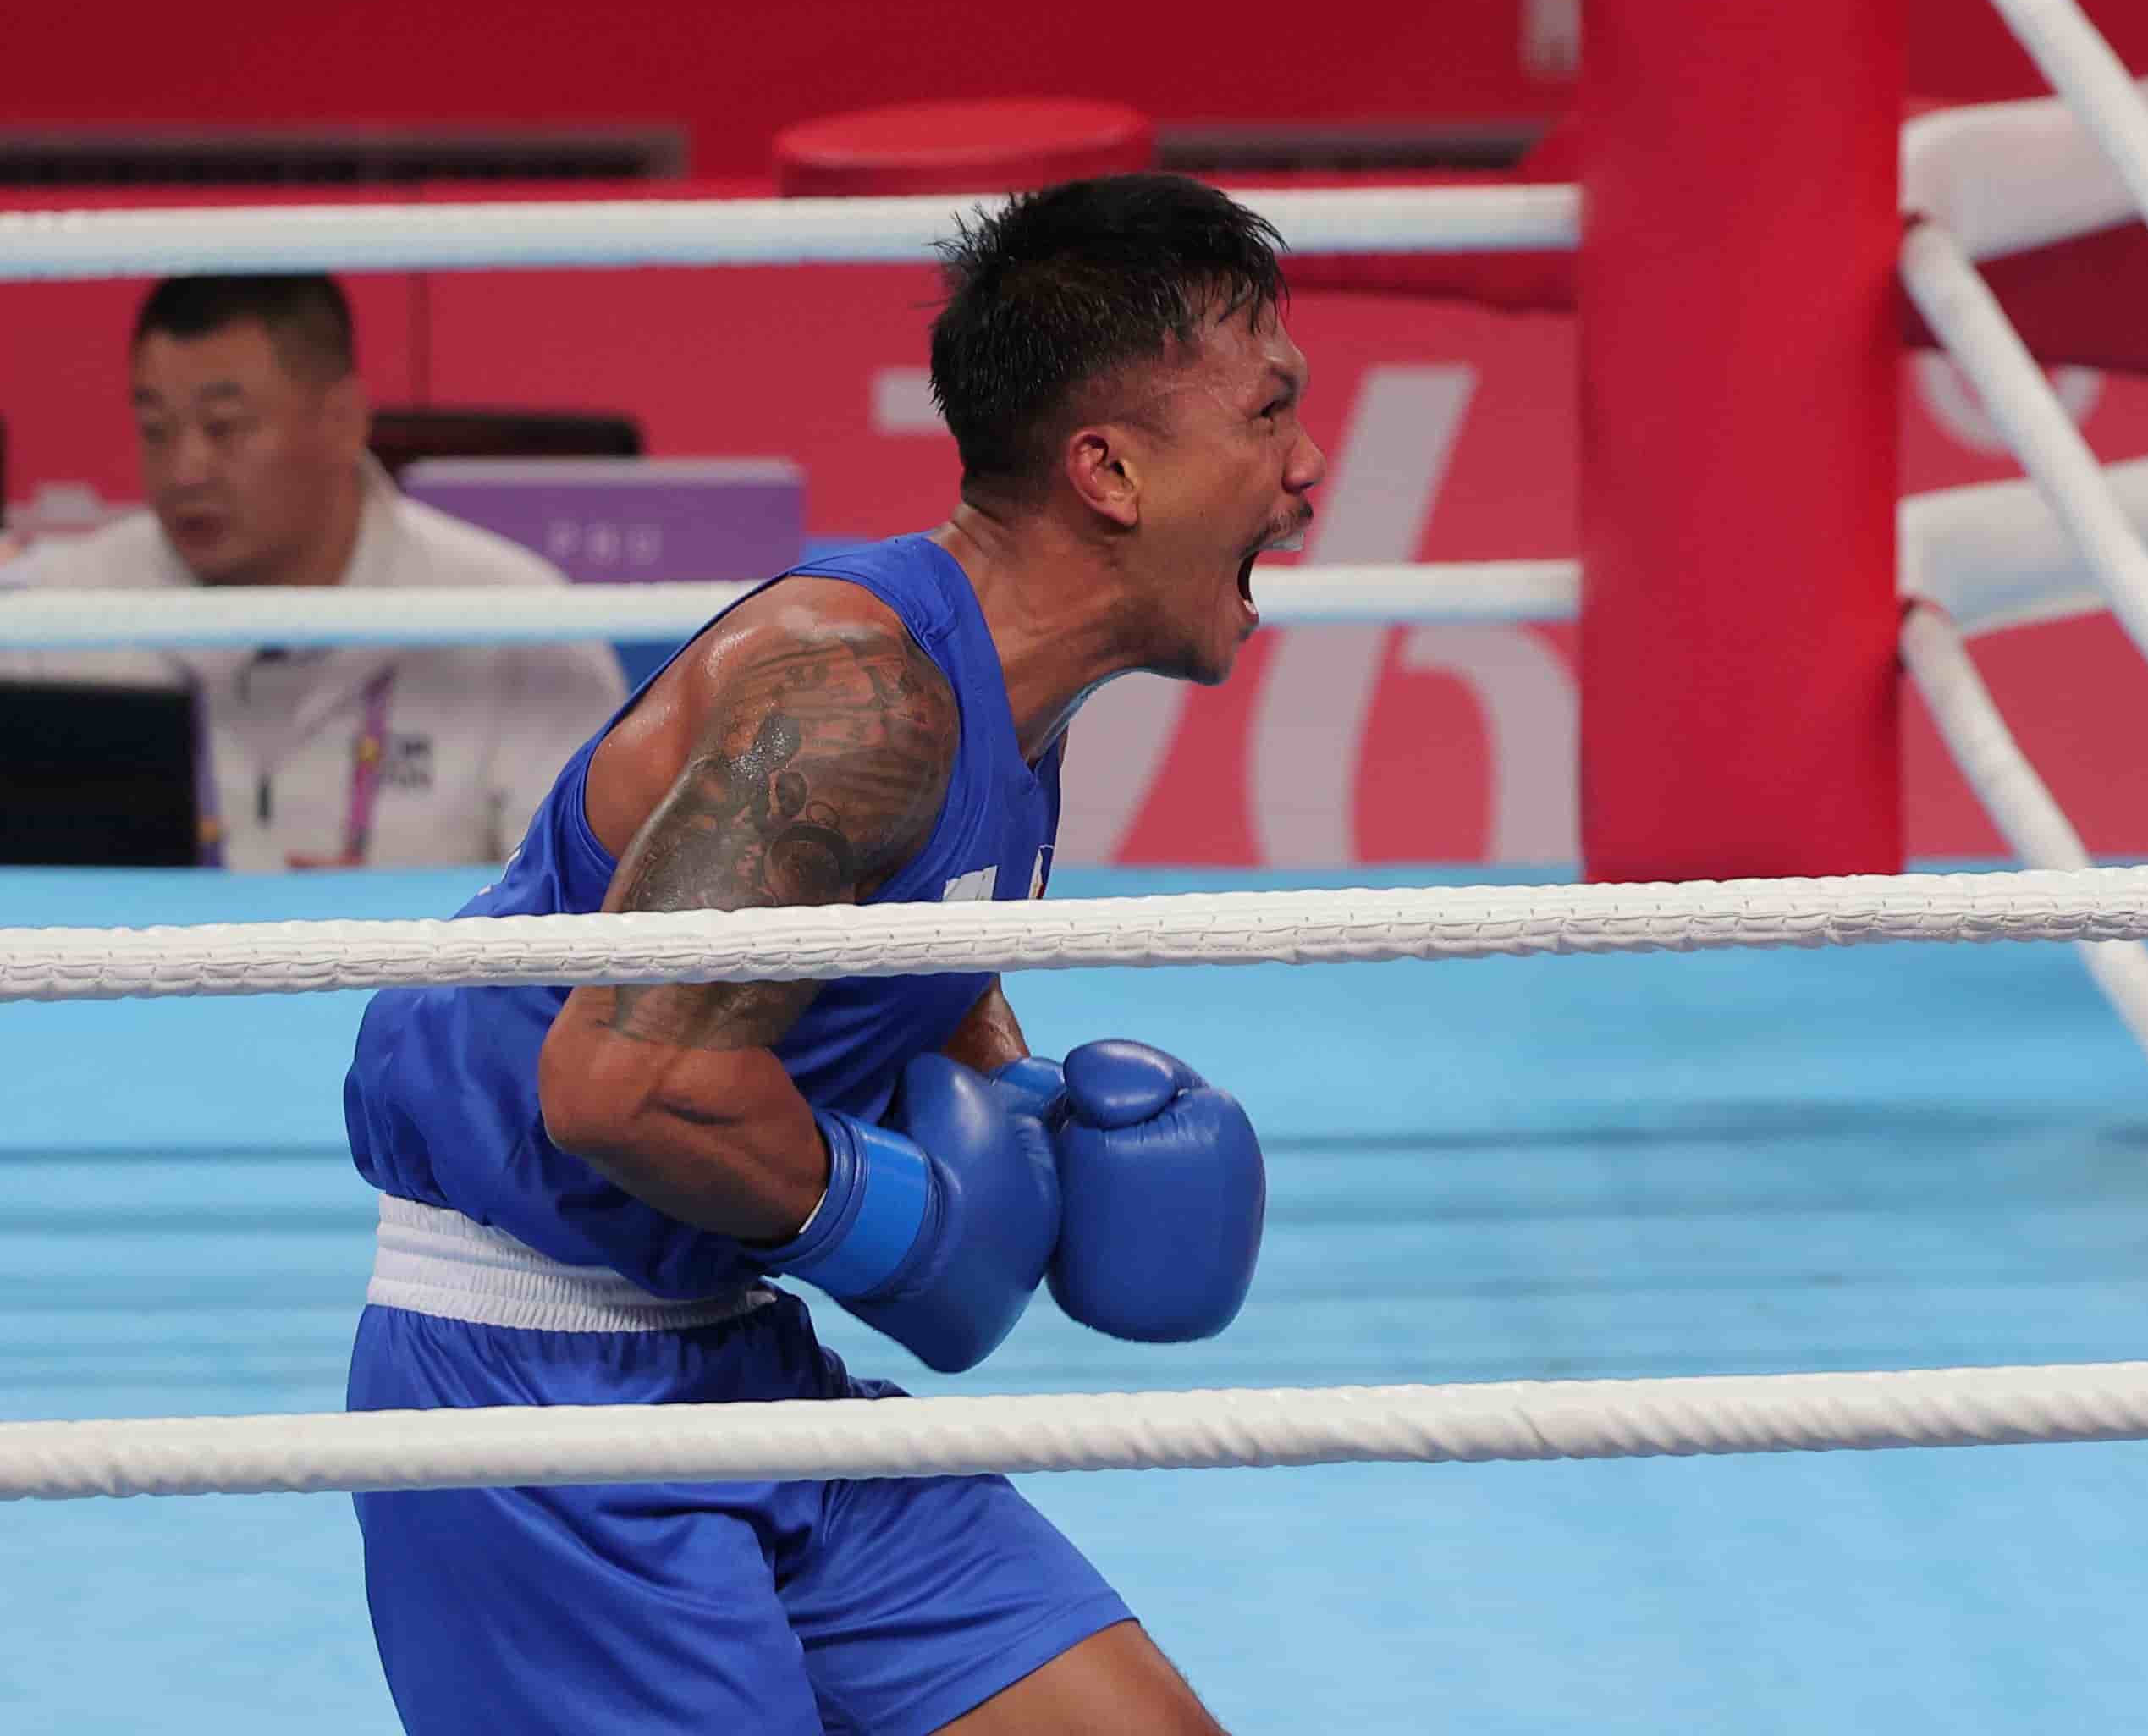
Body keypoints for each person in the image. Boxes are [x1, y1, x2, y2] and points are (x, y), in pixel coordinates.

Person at [341, 172, 1322, 1734]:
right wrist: (901, 1221)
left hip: (741, 1359)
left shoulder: (1000, 698)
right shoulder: (854, 694)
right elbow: (619, 1085)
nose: (1305, 472)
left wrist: (1030, 1115)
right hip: (539, 1394)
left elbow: (880, 939)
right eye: (1270, 414)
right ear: (1112, 469)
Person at [0, 274, 627, 868]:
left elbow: (576, 920)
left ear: (342, 420)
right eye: (155, 430)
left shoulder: (516, 624)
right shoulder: (53, 621)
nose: (184, 470)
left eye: (225, 428)